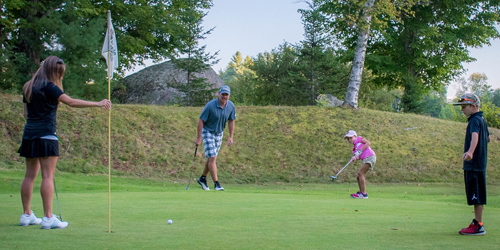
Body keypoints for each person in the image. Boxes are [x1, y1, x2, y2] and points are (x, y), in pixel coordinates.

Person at [18, 56, 112, 229]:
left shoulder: (28, 86)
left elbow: (26, 114)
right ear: (52, 71)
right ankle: (48, 218)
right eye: (59, 73)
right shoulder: (50, 87)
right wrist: (98, 104)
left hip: (29, 135)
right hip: (47, 135)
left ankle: (26, 215)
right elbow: (71, 102)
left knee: (29, 176)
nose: (60, 77)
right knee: (47, 176)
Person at [453, 93, 490, 235]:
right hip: (479, 164)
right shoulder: (481, 119)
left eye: (464, 106)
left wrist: (470, 152)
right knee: (478, 195)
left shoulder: (474, 120)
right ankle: (477, 222)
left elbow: (475, 135)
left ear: (473, 106)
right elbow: (488, 138)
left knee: (476, 195)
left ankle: (478, 225)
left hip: (474, 164)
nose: (462, 110)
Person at [194, 85, 236, 191]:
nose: (224, 97)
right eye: (223, 94)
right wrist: (198, 137)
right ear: (219, 94)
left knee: (211, 158)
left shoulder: (231, 106)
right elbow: (201, 120)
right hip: (207, 131)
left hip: (219, 133)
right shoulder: (210, 105)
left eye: (226, 95)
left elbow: (231, 121)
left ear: (229, 96)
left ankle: (203, 178)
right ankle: (216, 183)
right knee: (212, 157)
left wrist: (231, 136)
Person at [344, 130, 376, 199]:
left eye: (350, 138)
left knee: (360, 173)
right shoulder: (354, 149)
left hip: (370, 156)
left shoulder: (359, 139)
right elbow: (358, 156)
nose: (349, 140)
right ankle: (361, 192)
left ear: (355, 136)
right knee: (358, 176)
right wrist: (354, 157)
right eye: (348, 139)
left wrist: (360, 150)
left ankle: (364, 194)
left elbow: (368, 143)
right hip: (366, 158)